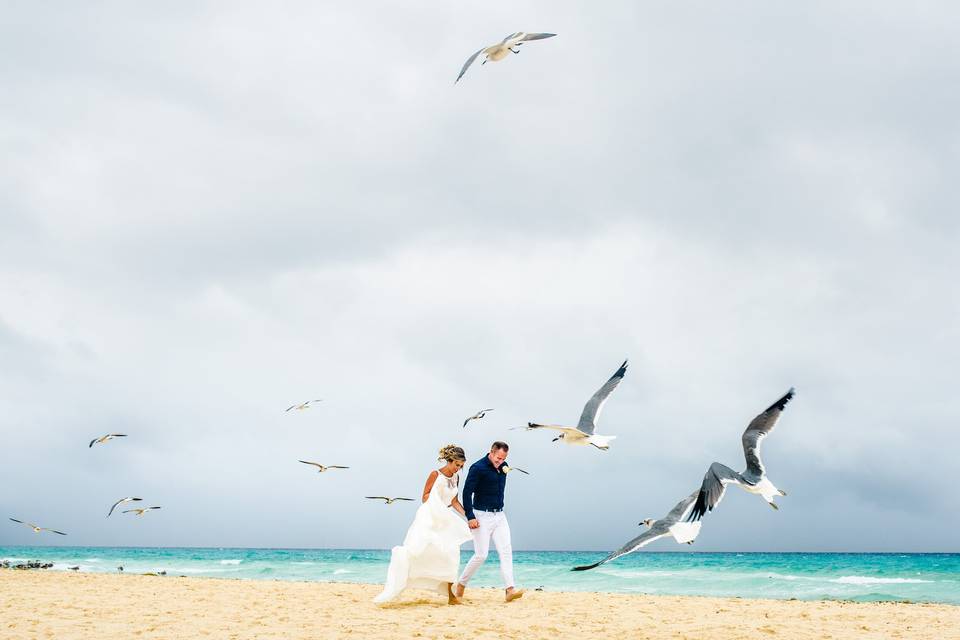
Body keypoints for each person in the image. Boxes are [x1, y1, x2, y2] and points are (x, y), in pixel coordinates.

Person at [373, 445, 472, 605]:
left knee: (450, 552)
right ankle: (401, 582)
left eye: (461, 466)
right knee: (417, 551)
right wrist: (438, 505)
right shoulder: (435, 474)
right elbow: (425, 497)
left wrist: (469, 516)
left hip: (445, 519)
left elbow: (454, 501)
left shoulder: (456, 478)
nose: (458, 469)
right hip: (430, 517)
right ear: (449, 461)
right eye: (457, 465)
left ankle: (451, 596)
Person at [455, 441, 523, 603]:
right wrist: (470, 516)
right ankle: (461, 585)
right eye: (498, 458)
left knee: (506, 551)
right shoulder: (477, 468)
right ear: (491, 453)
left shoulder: (504, 466)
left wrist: (502, 466)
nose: (500, 461)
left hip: (499, 515)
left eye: (503, 458)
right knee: (481, 555)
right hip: (481, 516)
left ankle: (509, 589)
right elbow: (466, 493)